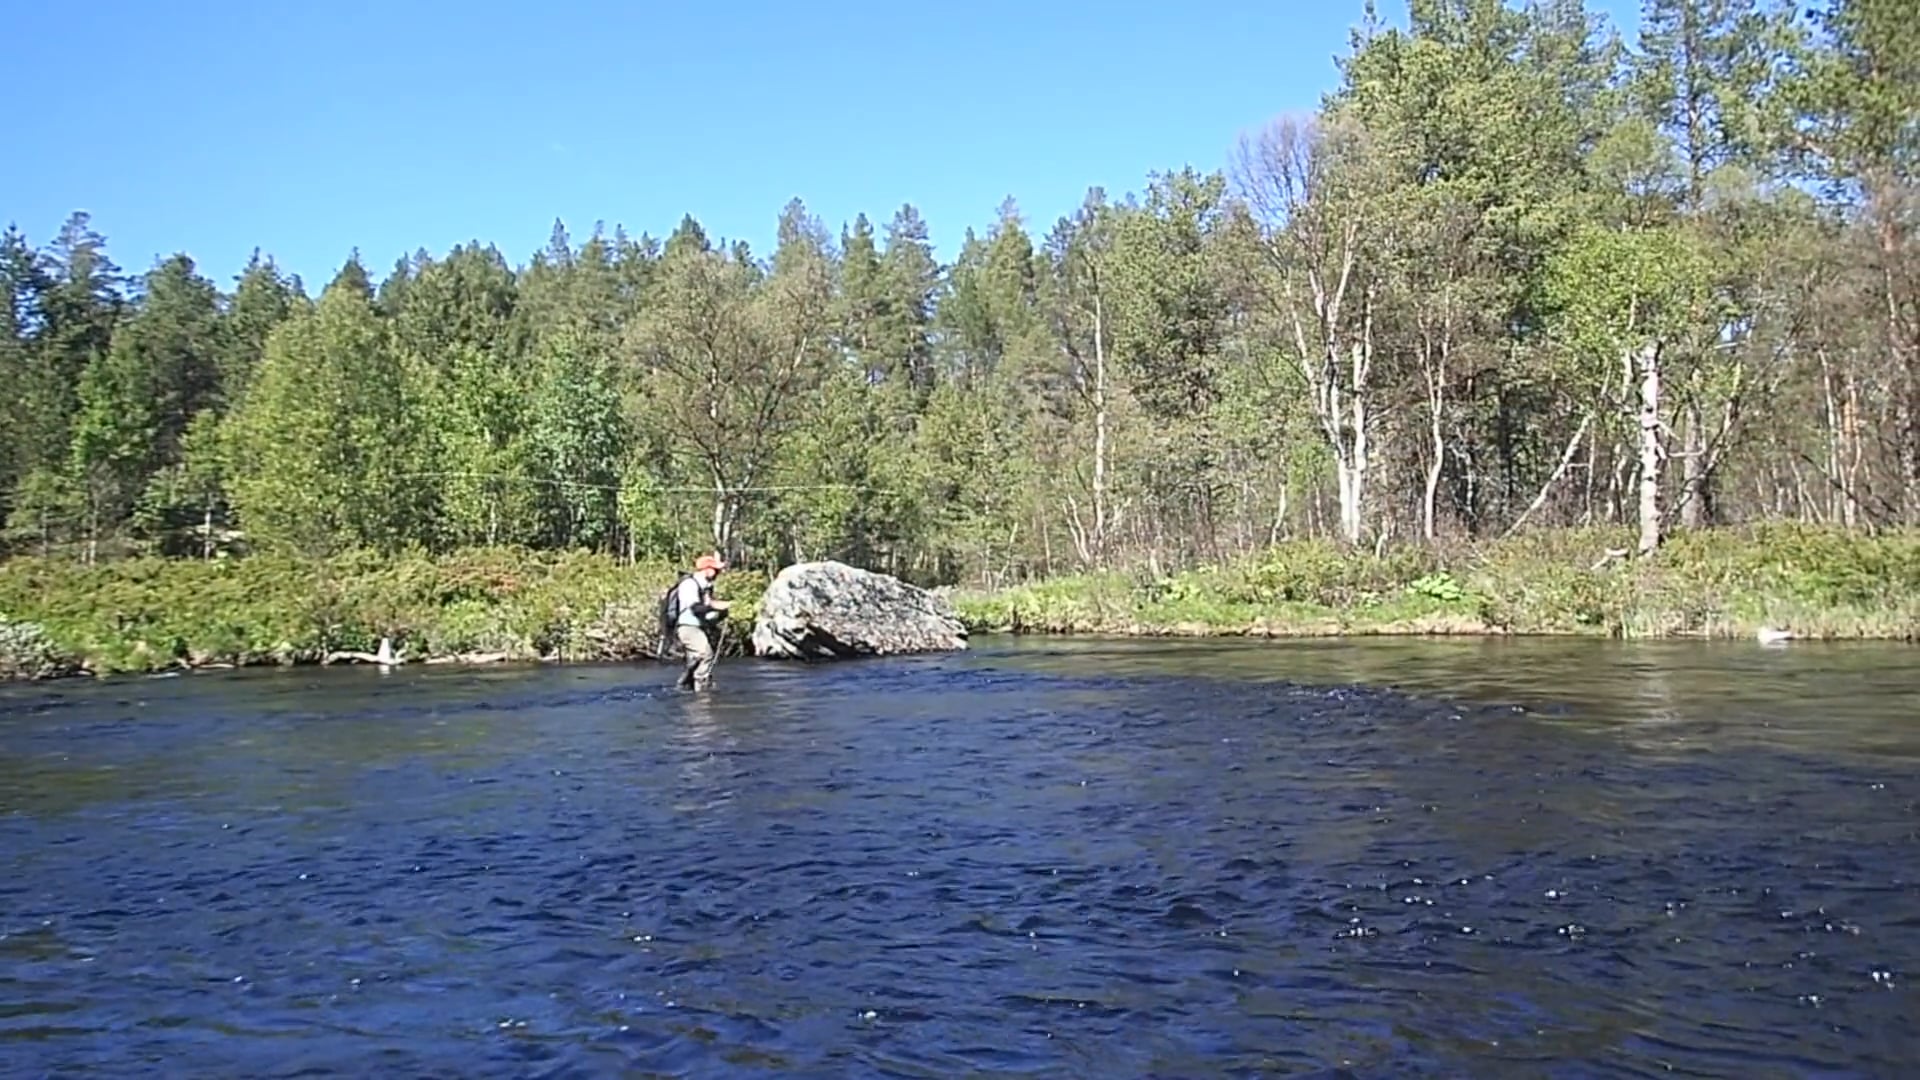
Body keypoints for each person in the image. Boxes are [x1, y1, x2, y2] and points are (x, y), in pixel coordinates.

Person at [671, 553, 730, 690]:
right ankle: (701, 688)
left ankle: (687, 686)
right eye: (716, 570)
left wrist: (721, 613)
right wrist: (716, 606)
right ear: (707, 569)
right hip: (688, 627)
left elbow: (706, 611)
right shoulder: (689, 584)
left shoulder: (706, 587)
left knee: (696, 659)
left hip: (699, 627)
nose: (718, 573)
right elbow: (696, 608)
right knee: (705, 654)